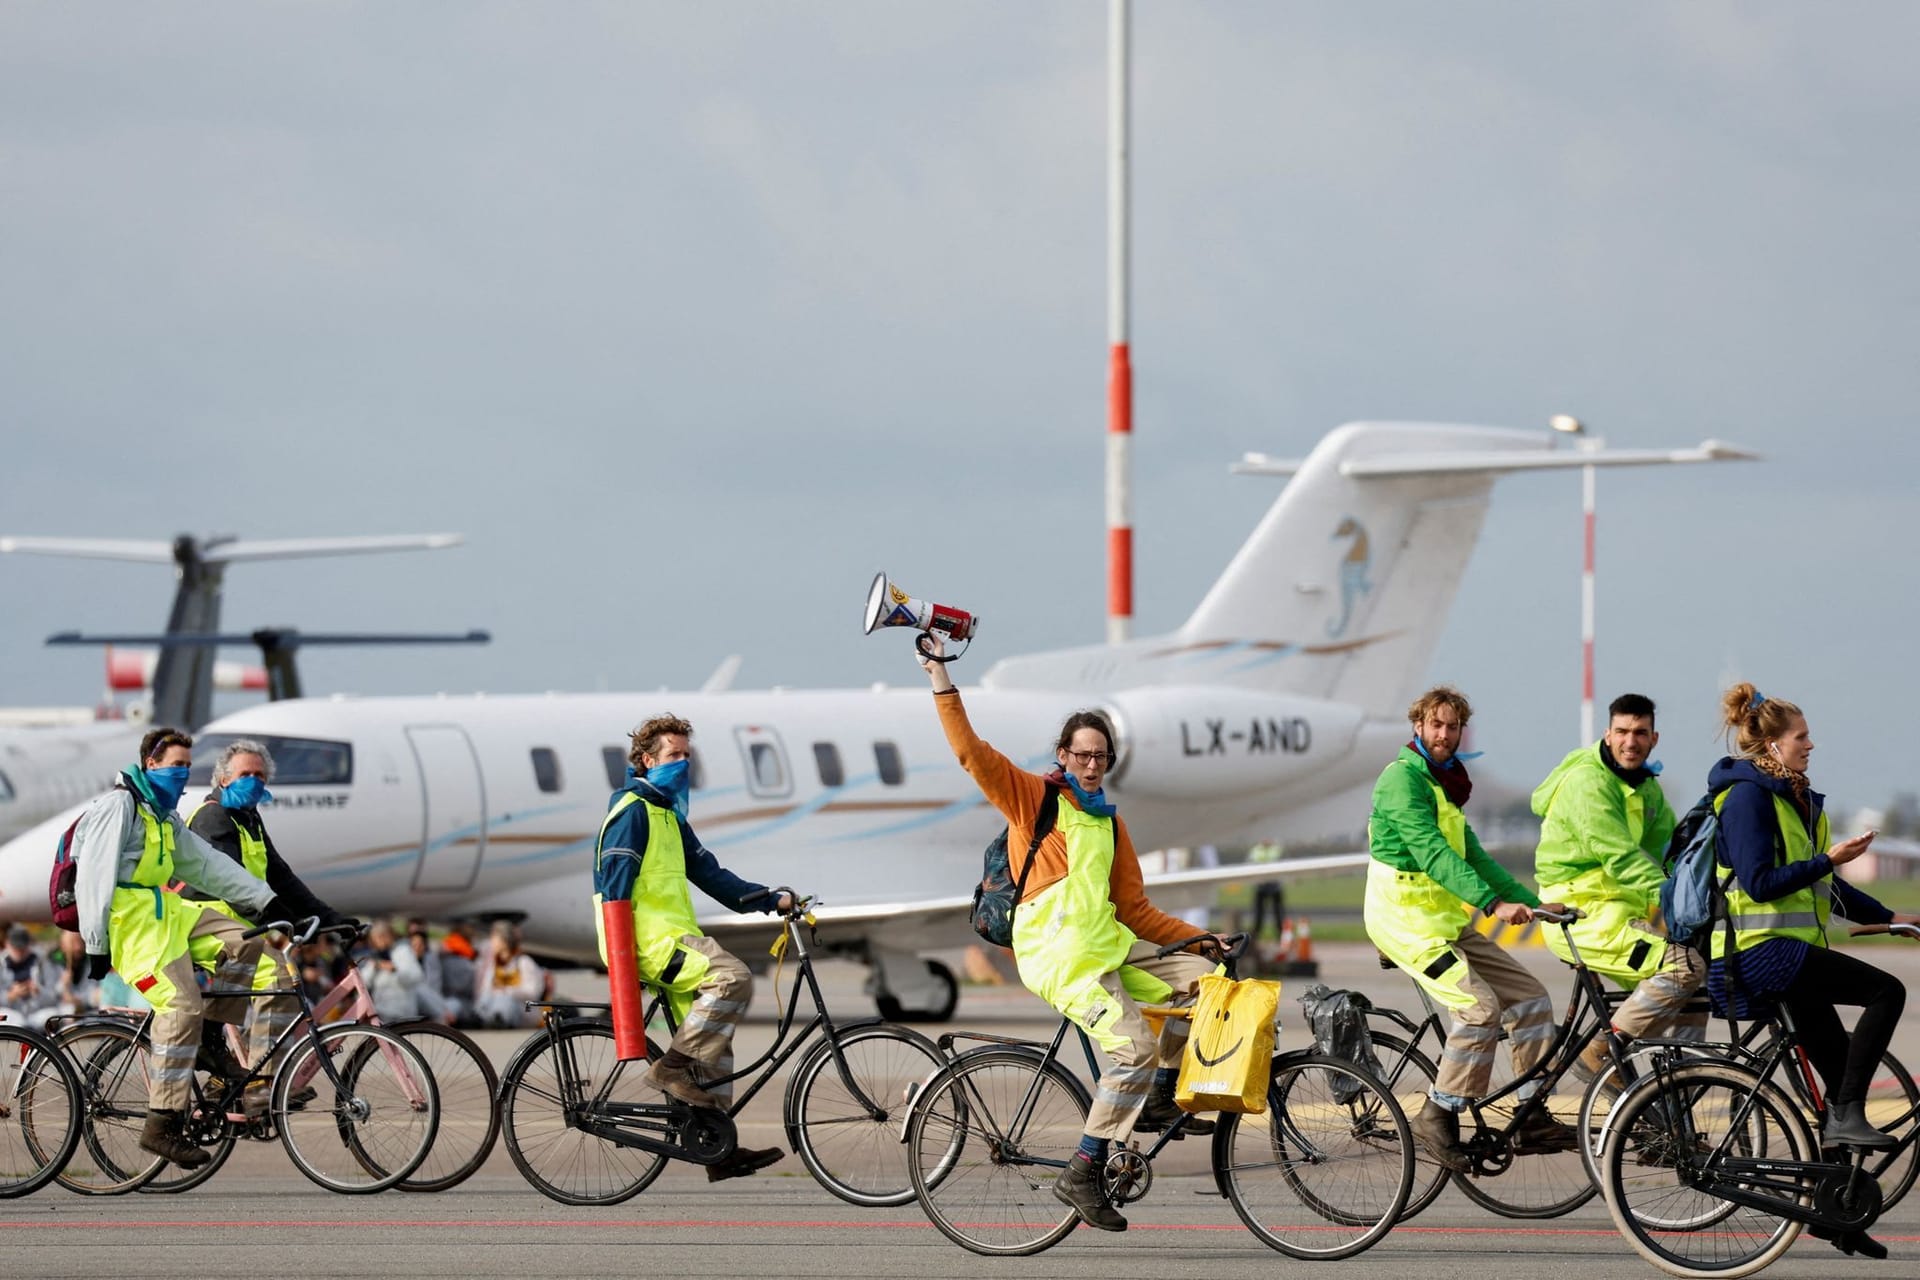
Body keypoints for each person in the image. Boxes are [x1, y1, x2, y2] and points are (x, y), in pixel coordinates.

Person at [920, 635, 1228, 1233]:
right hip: (1060, 962)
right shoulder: (1035, 800)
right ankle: (1083, 1171)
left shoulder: (1109, 824)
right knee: (1131, 1046)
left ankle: (1162, 1092)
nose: (1091, 764)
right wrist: (940, 677)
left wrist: (1200, 938)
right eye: (1082, 754)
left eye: (1100, 756)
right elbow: (971, 753)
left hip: (1109, 950)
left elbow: (1135, 909)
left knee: (1206, 984)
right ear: (1063, 755)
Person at [1704, 684, 1916, 1258]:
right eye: (1802, 736)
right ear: (1772, 743)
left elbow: (1826, 887)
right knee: (1887, 991)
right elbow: (1759, 882)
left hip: (1791, 955)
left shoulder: (1793, 798)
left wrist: (1893, 917)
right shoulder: (1748, 796)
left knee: (1839, 1080)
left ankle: (1836, 1217)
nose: (1811, 744)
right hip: (1761, 954)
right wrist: (1830, 857)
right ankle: (1846, 1119)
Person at [1364, 685, 1577, 1172]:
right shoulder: (1402, 781)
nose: (1444, 734)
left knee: (1531, 998)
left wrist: (1533, 903)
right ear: (1417, 726)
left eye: (1453, 726)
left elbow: (1473, 855)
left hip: (1443, 922)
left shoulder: (1444, 782)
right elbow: (1433, 854)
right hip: (1404, 924)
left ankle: (1529, 1114)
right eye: (1436, 725)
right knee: (1480, 1009)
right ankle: (1436, 1115)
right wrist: (1492, 904)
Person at [70, 727, 293, 1169]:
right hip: (132, 925)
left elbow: (208, 866)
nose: (184, 773)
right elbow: (92, 878)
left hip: (168, 914)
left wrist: (266, 902)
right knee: (180, 1006)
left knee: (247, 943)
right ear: (150, 763)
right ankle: (162, 1123)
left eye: (189, 766)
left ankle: (212, 1036)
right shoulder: (120, 807)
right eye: (176, 765)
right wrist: (95, 944)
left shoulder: (163, 816)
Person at [592, 714, 790, 1182]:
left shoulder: (668, 815)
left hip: (675, 938)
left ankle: (717, 1149)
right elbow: (614, 892)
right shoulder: (632, 814)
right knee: (733, 976)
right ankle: (668, 1069)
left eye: (687, 755)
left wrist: (769, 899)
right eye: (673, 756)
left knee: (714, 1049)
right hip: (646, 941)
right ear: (646, 761)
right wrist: (622, 968)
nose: (682, 763)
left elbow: (711, 875)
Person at [1532, 693, 1705, 1079]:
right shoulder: (1588, 784)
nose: (1631, 741)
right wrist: (1679, 899)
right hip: (1580, 913)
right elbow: (1622, 858)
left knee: (1695, 989)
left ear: (1654, 738)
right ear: (1608, 734)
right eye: (1623, 732)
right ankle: (1600, 1058)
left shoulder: (1646, 788)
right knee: (1684, 969)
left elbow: (1670, 853)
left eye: (1640, 733)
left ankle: (1683, 1090)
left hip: (1619, 909)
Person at [184, 738, 354, 1104]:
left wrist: (328, 918)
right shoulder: (212, 817)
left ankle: (229, 1077)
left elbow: (281, 877)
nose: (254, 781)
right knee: (276, 976)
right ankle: (261, 1083)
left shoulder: (249, 818)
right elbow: (232, 884)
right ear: (224, 778)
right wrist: (284, 920)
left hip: (240, 928)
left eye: (260, 775)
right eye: (246, 774)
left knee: (277, 979)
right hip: (203, 924)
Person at [470, 921, 549, 1028]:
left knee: (503, 1001)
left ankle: (497, 1017)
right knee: (487, 1000)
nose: (491, 942)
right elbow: (485, 989)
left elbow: (532, 992)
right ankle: (487, 1017)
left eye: (494, 938)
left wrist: (507, 991)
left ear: (504, 941)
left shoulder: (523, 961)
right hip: (495, 1004)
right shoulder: (493, 964)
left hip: (522, 1009)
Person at [1, 924, 60, 1029]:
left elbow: (54, 996)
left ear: (28, 945)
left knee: (54, 1015)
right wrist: (11, 995)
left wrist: (38, 991)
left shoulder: (42, 962)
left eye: (22, 948)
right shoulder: (1, 964)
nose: (19, 952)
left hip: (37, 1013)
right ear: (7, 944)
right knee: (13, 1020)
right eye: (15, 948)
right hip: (11, 1013)